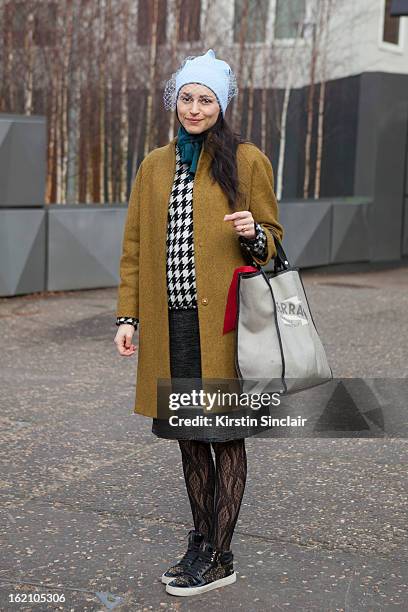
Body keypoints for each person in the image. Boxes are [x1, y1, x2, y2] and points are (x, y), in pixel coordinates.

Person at [114, 49, 284, 597]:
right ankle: (201, 541)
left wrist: (252, 233)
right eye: (186, 97)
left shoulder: (248, 160)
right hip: (171, 327)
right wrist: (128, 316)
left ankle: (221, 555)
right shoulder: (155, 165)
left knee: (225, 437)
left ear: (221, 104)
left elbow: (274, 243)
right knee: (189, 438)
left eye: (205, 98)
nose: (193, 107)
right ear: (175, 102)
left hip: (226, 329)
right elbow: (136, 246)